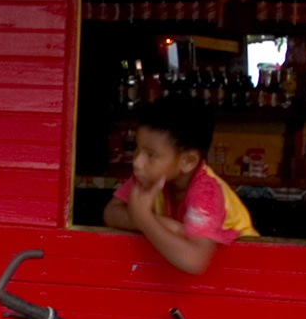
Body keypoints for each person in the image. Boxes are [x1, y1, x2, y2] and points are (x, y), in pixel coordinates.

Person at [104, 93, 259, 275]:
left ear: (188, 161)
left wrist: (144, 220)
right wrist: (163, 224)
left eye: (151, 155)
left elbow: (194, 260)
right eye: (137, 148)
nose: (137, 162)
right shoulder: (149, 174)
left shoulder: (207, 190)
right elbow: (111, 212)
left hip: (246, 272)